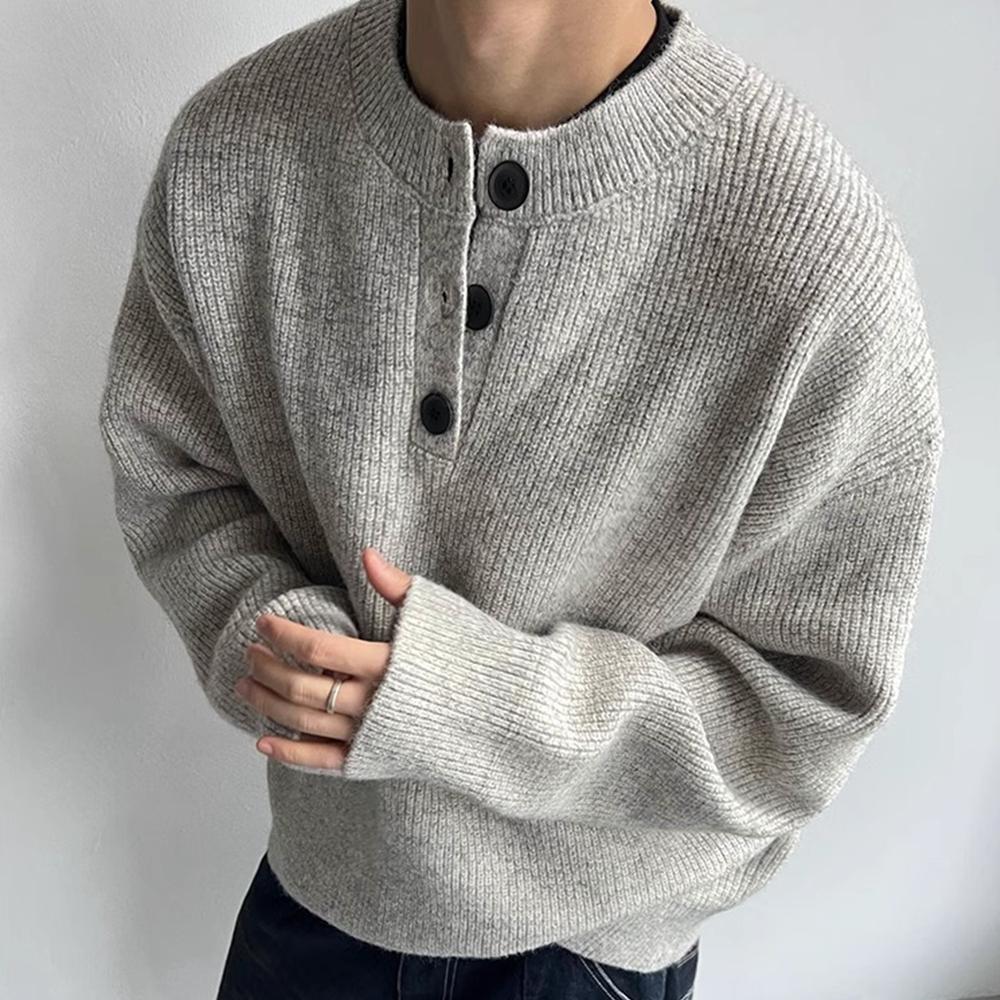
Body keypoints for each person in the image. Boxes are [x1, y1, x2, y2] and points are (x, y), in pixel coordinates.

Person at [96, 0, 944, 996]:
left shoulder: (814, 254)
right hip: (321, 895)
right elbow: (177, 472)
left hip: (591, 954)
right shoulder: (230, 150)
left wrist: (471, 703)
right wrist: (281, 639)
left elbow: (804, 709)